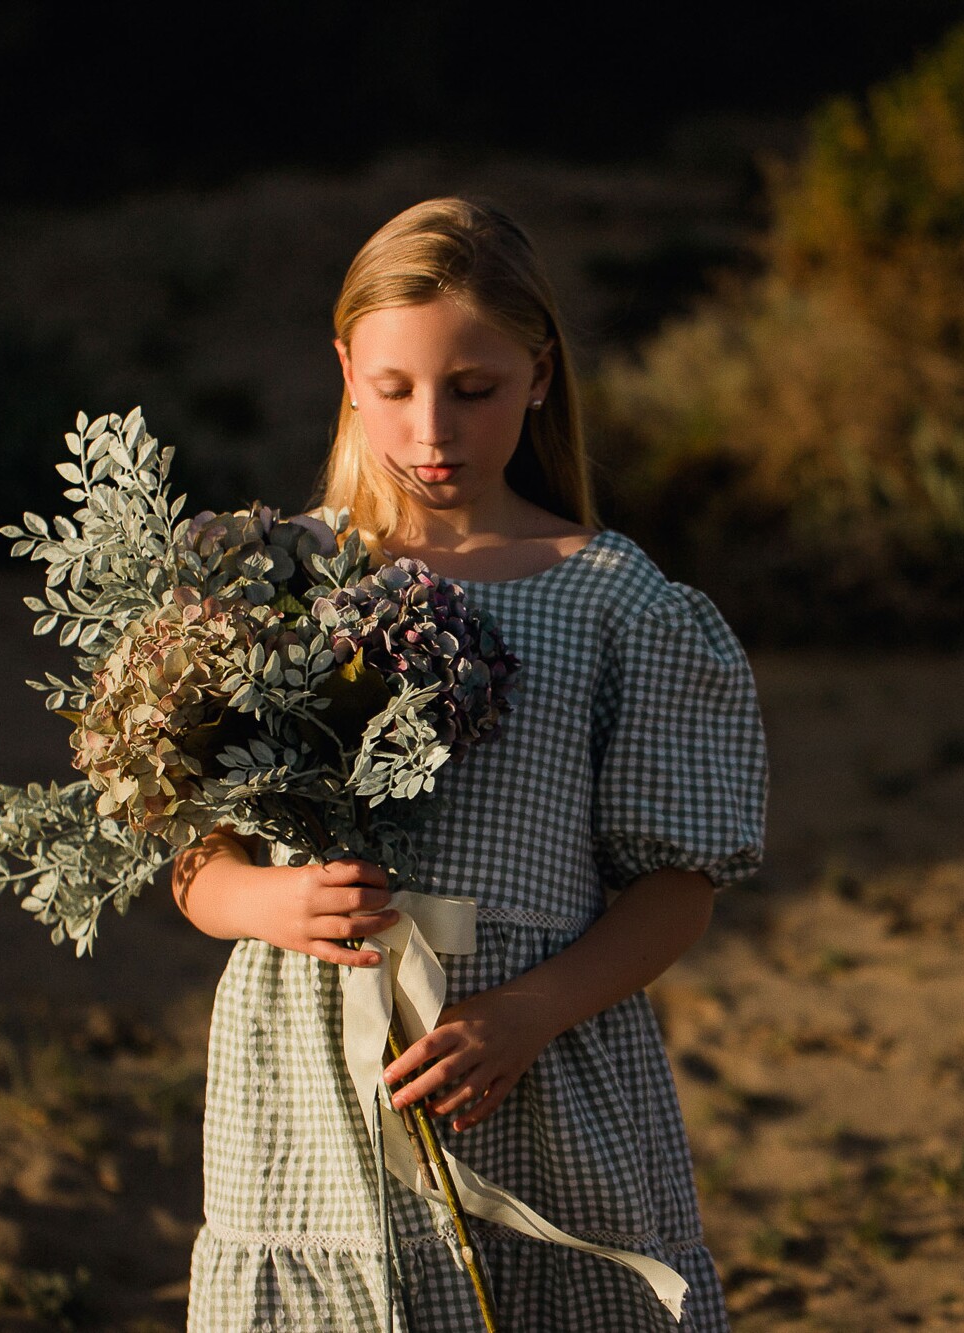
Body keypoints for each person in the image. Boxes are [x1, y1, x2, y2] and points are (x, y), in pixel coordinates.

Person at [170, 197, 768, 1331]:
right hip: (308, 1075)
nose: (431, 430)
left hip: (533, 1062)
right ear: (345, 369)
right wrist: (270, 897)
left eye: (474, 388)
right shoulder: (270, 583)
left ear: (539, 376)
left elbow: (676, 890)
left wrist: (530, 1010)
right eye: (394, 388)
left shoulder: (613, 597)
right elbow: (197, 859)